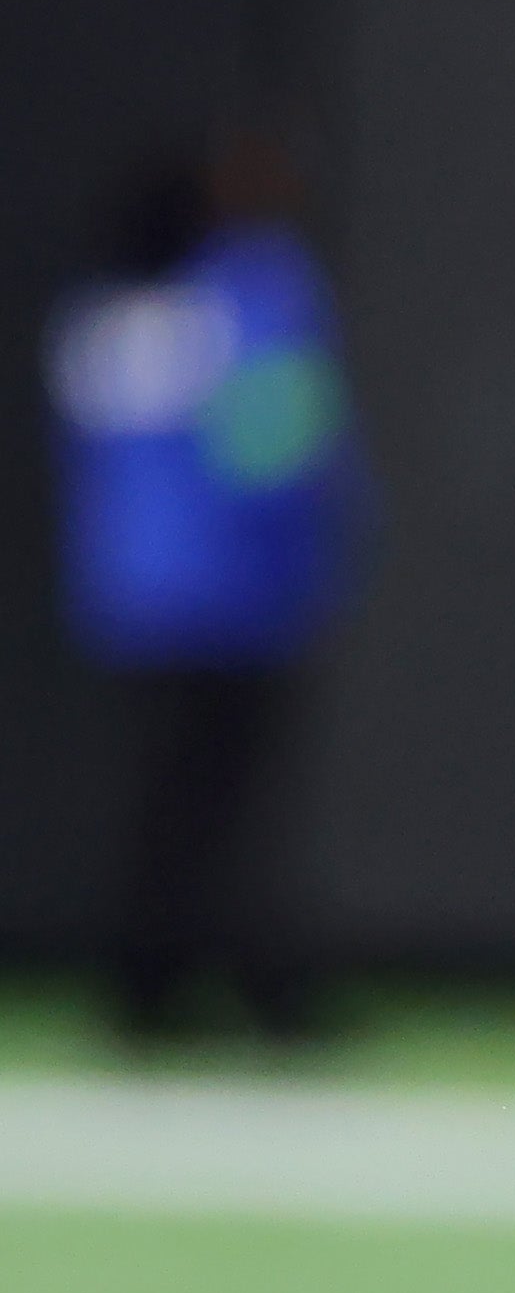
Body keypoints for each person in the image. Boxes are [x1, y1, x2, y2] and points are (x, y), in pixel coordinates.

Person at [46, 133, 366, 1047]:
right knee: (227, 812)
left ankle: (148, 988)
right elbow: (279, 449)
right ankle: (264, 992)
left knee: (165, 806)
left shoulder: (95, 321)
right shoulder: (255, 298)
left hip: (130, 602)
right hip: (234, 599)